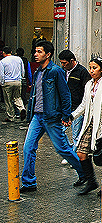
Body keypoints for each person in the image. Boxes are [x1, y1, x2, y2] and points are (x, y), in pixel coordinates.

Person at [20, 40, 85, 192]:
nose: (36, 54)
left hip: (51, 117)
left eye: (39, 52)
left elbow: (65, 94)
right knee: (28, 148)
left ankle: (85, 174)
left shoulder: (56, 71)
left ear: (48, 54)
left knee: (63, 149)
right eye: (35, 51)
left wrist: (65, 115)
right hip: (37, 117)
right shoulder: (37, 72)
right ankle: (29, 182)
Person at [69, 58, 102, 195]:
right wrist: (72, 116)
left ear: (101, 69)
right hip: (89, 123)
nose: (91, 70)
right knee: (81, 153)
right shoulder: (89, 84)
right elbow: (84, 104)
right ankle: (91, 181)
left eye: (94, 68)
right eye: (90, 67)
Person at [58, 50, 91, 153]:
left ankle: (75, 155)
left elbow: (87, 91)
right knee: (60, 132)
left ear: (72, 61)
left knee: (76, 133)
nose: (63, 65)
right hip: (65, 108)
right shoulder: (62, 72)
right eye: (61, 63)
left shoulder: (82, 72)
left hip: (77, 107)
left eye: (65, 63)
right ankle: (71, 150)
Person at [1, 46, 27, 123]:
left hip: (7, 82)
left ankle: (11, 116)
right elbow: (22, 71)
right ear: (11, 52)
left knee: (8, 100)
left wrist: (2, 83)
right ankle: (22, 108)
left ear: (3, 53)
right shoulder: (19, 59)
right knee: (17, 97)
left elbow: (1, 74)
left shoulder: (3, 61)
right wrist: (21, 78)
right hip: (18, 81)